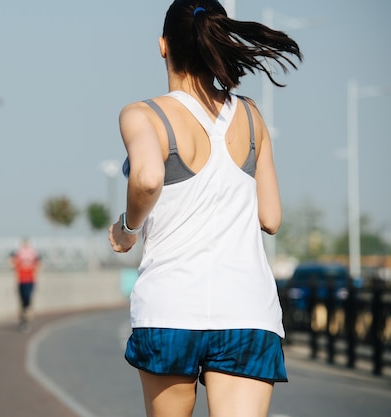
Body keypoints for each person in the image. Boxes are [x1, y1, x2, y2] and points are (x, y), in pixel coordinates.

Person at [108, 1, 302, 416]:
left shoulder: (144, 116)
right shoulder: (251, 115)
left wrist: (127, 228)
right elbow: (271, 218)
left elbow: (145, 178)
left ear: (164, 46)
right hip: (247, 312)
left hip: (170, 308)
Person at [10, 237, 41, 331]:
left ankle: (26, 319)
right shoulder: (19, 253)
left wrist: (36, 272)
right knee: (23, 301)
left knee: (28, 300)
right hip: (21, 281)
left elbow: (38, 263)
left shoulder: (33, 253)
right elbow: (12, 262)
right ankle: (23, 320)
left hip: (30, 281)